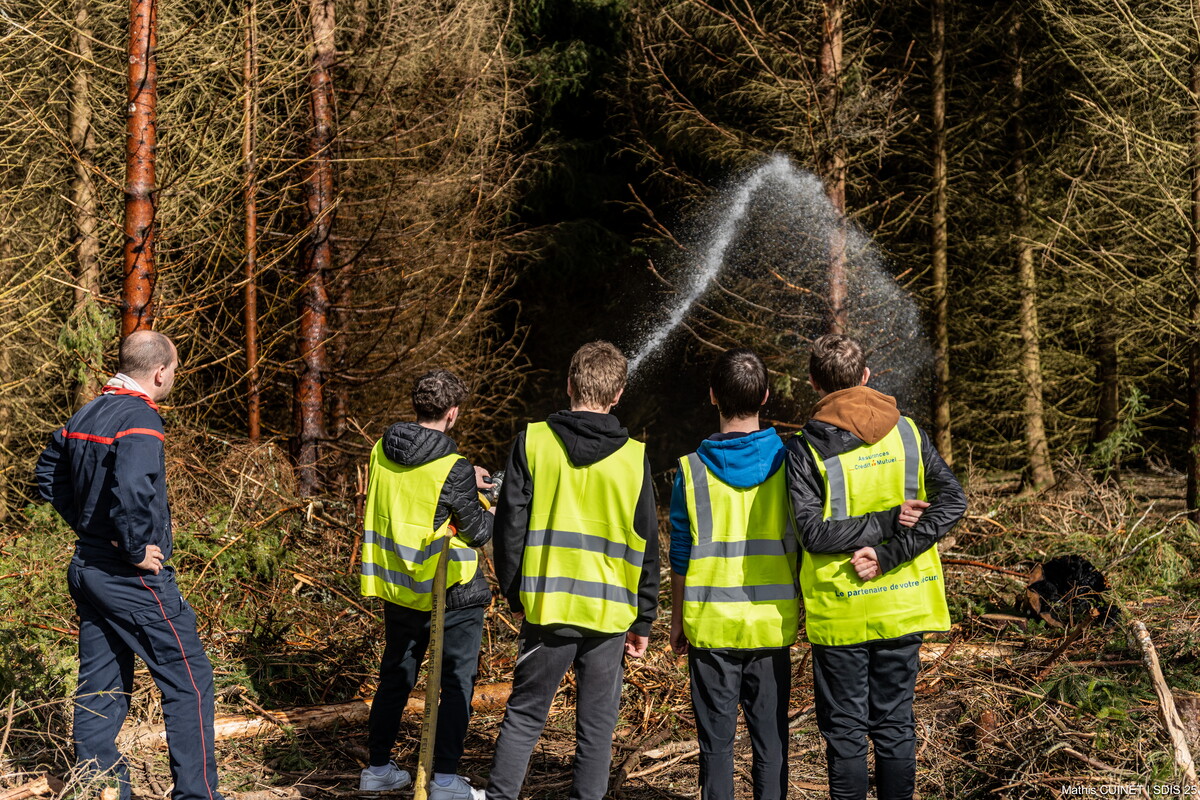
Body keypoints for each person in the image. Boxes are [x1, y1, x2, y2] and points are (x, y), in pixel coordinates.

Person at [35, 331, 225, 800]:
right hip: (129, 576)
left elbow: (46, 475)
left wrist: (88, 526)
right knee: (190, 679)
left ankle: (102, 787)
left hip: (88, 568)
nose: (173, 378)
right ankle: (198, 795)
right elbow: (133, 488)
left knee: (100, 681)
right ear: (160, 372)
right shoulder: (141, 418)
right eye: (174, 371)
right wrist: (133, 546)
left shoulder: (89, 411)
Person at [786, 334, 967, 800]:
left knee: (845, 732)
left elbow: (814, 534)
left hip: (841, 610)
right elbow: (952, 503)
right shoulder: (908, 432)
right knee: (894, 725)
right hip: (903, 607)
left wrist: (885, 550)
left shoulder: (805, 449)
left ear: (813, 383)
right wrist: (892, 539)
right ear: (866, 377)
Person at [486, 341, 659, 800]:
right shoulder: (634, 458)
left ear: (568, 384)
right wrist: (643, 618)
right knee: (597, 730)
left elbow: (509, 528)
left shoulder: (533, 441)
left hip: (547, 607)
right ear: (618, 393)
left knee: (524, 716)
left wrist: (515, 591)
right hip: (609, 615)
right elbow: (647, 546)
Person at [358, 369, 495, 800]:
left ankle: (377, 768)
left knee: (395, 676)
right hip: (450, 589)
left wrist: (464, 479)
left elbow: (416, 487)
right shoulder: (451, 467)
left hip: (397, 584)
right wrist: (493, 502)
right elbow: (477, 532)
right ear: (452, 413)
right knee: (455, 682)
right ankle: (445, 780)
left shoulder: (382, 449)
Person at [669, 347, 797, 800]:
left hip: (710, 627)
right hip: (771, 625)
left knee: (715, 749)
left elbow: (680, 553)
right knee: (771, 746)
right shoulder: (791, 463)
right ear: (764, 397)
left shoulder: (691, 471)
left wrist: (677, 619)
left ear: (711, 396)